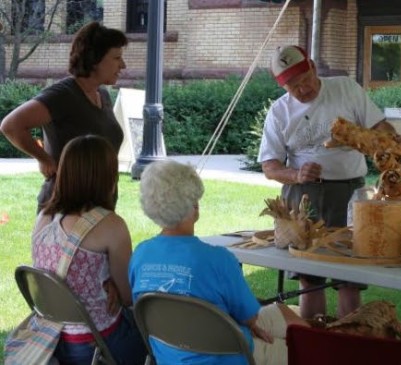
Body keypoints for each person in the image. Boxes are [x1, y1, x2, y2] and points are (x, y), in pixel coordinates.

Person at [257, 45, 398, 320]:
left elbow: (381, 127)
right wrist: (296, 175)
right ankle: (312, 342)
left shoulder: (345, 88)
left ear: (313, 67)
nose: (303, 89)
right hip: (304, 197)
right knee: (309, 280)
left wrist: (387, 142)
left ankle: (349, 340)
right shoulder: (279, 112)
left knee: (350, 276)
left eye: (306, 80)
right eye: (293, 87)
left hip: (351, 191)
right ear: (283, 87)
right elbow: (269, 167)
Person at [129, 160, 309, 365]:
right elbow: (250, 318)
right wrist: (251, 325)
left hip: (169, 355)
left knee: (282, 312)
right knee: (308, 350)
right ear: (194, 205)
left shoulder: (140, 254)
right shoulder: (219, 259)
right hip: (229, 355)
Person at [32, 135, 146, 365]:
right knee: (160, 340)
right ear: (107, 176)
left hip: (49, 338)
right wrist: (113, 284)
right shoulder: (110, 225)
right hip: (97, 343)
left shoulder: (44, 217)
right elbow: (127, 296)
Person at [0, 21, 127, 212]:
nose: (123, 65)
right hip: (65, 208)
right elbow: (11, 125)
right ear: (94, 60)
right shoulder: (64, 94)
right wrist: (44, 159)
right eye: (117, 58)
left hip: (100, 206)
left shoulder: (103, 95)